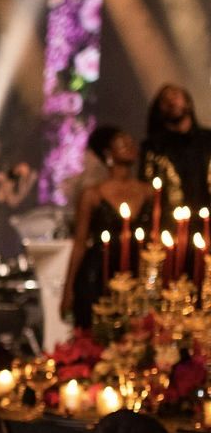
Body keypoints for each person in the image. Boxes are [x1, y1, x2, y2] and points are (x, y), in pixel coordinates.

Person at [61, 129, 154, 327]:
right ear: (108, 153)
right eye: (121, 142)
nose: (129, 146)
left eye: (131, 141)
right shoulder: (92, 194)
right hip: (99, 272)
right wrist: (68, 289)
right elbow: (79, 242)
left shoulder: (149, 191)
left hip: (136, 270)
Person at [141, 83, 211, 213]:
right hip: (170, 222)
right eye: (165, 100)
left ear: (188, 102)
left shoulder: (208, 140)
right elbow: (148, 188)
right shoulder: (153, 148)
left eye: (175, 96)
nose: (171, 102)